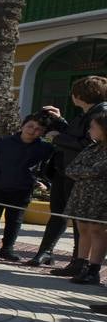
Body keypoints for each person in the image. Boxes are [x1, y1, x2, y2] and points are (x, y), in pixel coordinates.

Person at [39, 76, 107, 273]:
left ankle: (83, 264)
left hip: (87, 179)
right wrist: (60, 122)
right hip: (69, 171)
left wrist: (58, 137)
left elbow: (87, 143)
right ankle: (59, 257)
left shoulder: (100, 113)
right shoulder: (87, 113)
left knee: (88, 226)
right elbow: (77, 136)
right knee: (69, 218)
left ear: (81, 95)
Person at [0, 115, 53, 260]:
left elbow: (49, 169)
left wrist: (45, 183)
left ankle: (7, 248)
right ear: (23, 126)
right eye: (30, 126)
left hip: (22, 189)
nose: (32, 131)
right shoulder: (4, 142)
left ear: (42, 133)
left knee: (15, 220)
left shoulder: (45, 148)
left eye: (38, 129)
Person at [63, 111, 107, 285]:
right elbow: (71, 169)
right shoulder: (92, 147)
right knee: (83, 229)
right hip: (83, 195)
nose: (90, 130)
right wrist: (86, 173)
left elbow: (98, 170)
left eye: (93, 127)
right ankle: (80, 263)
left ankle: (93, 269)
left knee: (97, 231)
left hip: (101, 197)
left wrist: (83, 172)